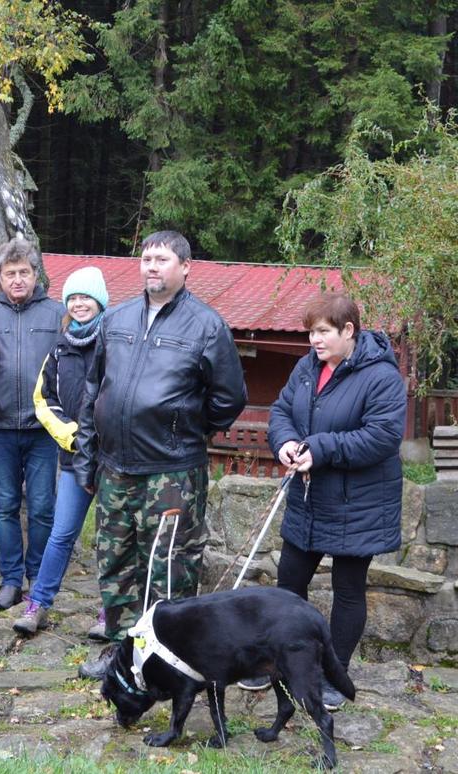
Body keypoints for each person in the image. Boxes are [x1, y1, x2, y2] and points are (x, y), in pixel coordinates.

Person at [73, 230, 247, 679]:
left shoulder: (206, 326)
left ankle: (166, 662)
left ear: (185, 267)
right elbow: (94, 388)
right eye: (147, 258)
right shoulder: (117, 320)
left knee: (168, 569)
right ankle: (120, 655)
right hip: (115, 468)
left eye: (163, 259)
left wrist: (186, 425)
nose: (152, 266)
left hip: (172, 473)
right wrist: (89, 455)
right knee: (116, 564)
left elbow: (229, 398)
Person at [265, 292, 406, 710]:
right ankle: (288, 661)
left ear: (349, 331)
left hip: (357, 503)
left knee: (348, 590)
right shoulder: (306, 367)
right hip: (310, 497)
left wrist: (321, 448)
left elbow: (382, 437)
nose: (314, 340)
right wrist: (286, 442)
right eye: (311, 331)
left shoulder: (381, 376)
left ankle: (334, 672)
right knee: (290, 581)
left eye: (323, 331)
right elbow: (281, 411)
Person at [0, 237, 65, 610]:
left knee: (41, 506)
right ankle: (10, 580)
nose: (17, 280)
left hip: (44, 430)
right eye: (10, 274)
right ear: (0, 279)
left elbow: (72, 372)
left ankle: (37, 577)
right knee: (4, 505)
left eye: (24, 272)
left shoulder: (57, 315)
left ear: (36, 275)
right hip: (1, 428)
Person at [12, 266, 109, 634]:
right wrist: (71, 436)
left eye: (86, 297)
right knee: (62, 533)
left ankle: (110, 612)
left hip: (113, 459)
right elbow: (43, 399)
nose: (79, 303)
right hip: (73, 458)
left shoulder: (116, 340)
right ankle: (38, 604)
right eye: (73, 297)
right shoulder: (60, 347)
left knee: (112, 539)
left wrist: (103, 438)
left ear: (99, 301)